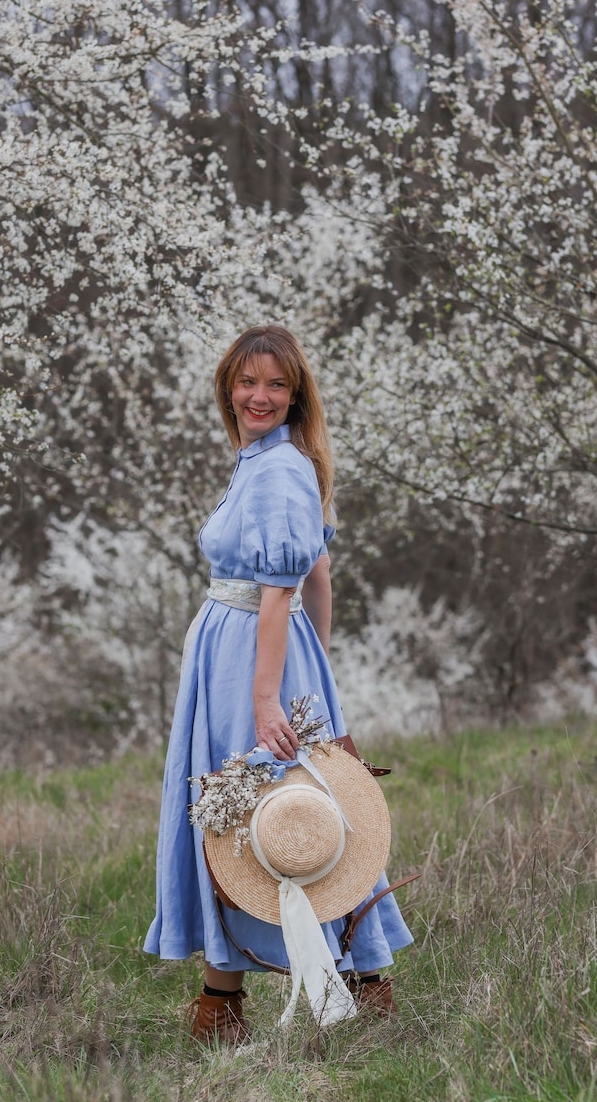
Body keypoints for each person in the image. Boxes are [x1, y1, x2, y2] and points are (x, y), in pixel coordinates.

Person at [143, 324, 413, 1044]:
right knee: (241, 813)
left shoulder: (280, 467)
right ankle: (234, 997)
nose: (258, 396)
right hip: (247, 653)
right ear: (228, 386)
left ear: (295, 396)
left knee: (265, 815)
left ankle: (327, 987)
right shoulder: (262, 459)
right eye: (247, 381)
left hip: (248, 659)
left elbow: (279, 587)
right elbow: (318, 573)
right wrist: (309, 667)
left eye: (276, 385)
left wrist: (272, 693)